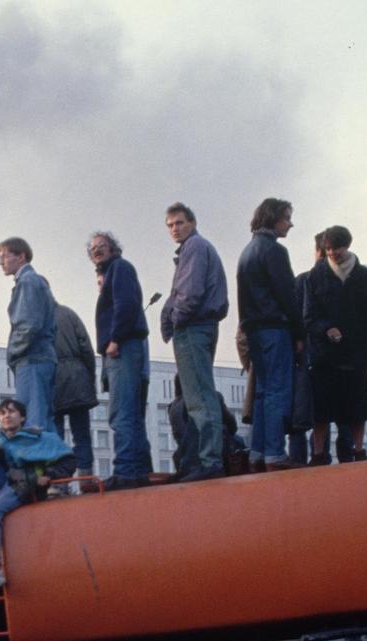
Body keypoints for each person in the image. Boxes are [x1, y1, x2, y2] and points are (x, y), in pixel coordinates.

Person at [0, 397, 77, 593]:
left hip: (29, 485)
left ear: (23, 417)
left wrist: (49, 476)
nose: (6, 416)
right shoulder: (0, 440)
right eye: (2, 413)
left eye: (11, 411)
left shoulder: (41, 438)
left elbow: (68, 461)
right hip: (11, 481)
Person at [160, 203, 230, 481]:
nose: (175, 229)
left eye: (179, 222)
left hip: (193, 327)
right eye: (170, 225)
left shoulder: (194, 247)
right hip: (200, 326)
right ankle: (207, 459)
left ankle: (209, 461)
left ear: (192, 222)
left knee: (199, 397)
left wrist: (176, 319)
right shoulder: (197, 247)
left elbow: (188, 292)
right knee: (200, 394)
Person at [301, 225, 367, 463]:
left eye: (336, 248)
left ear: (347, 246)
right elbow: (309, 316)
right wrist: (326, 329)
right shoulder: (314, 277)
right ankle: (318, 453)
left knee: (358, 407)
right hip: (325, 355)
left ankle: (359, 450)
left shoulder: (364, 276)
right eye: (328, 249)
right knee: (322, 409)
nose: (332, 253)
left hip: (356, 353)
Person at [236, 197, 304, 471]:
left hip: (254, 330)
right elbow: (287, 295)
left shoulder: (247, 251)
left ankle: (258, 453)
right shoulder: (274, 251)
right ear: (273, 217)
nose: (290, 223)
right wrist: (299, 332)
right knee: (277, 390)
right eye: (287, 217)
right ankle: (276, 453)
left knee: (262, 392)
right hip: (275, 328)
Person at [88, 230, 153, 489]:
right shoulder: (115, 272)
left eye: (102, 246)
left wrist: (115, 339)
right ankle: (138, 470)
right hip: (126, 347)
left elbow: (126, 304)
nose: (97, 250)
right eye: (93, 248)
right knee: (131, 413)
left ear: (113, 249)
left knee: (121, 413)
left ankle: (125, 471)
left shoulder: (120, 268)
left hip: (122, 347)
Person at [0, 237, 59, 432]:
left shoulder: (28, 282)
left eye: (5, 256)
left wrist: (13, 353)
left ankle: (37, 463)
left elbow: (28, 326)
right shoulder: (35, 282)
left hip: (31, 359)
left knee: (33, 421)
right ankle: (49, 462)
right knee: (43, 419)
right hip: (40, 358)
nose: (1, 262)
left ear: (21, 256)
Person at [51, 302, 99, 482]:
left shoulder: (38, 314)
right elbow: (86, 347)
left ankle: (60, 481)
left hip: (53, 380)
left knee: (56, 436)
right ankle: (86, 479)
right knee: (82, 434)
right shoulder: (69, 313)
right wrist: (89, 376)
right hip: (78, 377)